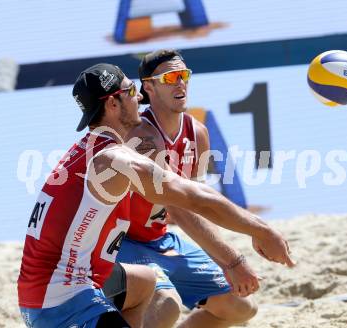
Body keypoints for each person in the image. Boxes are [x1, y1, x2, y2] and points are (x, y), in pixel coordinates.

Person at [17, 63, 293, 328]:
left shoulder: (89, 147)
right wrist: (262, 229)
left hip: (54, 283)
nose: (139, 96)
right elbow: (193, 197)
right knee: (166, 300)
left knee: (146, 282)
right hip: (60, 301)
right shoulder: (115, 160)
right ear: (113, 104)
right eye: (130, 91)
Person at [115, 49, 294, 328]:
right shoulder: (142, 137)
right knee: (166, 306)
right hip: (120, 243)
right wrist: (232, 261)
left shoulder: (196, 132)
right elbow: (181, 209)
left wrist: (231, 256)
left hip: (160, 240)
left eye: (184, 75)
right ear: (148, 87)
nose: (180, 83)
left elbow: (199, 203)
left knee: (241, 306)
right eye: (170, 77)